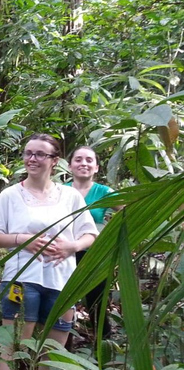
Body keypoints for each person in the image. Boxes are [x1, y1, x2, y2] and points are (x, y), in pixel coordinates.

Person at [0, 133, 98, 370]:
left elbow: (89, 233)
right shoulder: (10, 195)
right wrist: (23, 240)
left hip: (63, 281)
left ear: (55, 161)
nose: (32, 159)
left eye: (40, 154)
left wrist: (72, 246)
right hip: (22, 278)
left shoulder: (70, 197)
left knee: (53, 352)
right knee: (13, 346)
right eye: (28, 153)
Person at [65, 145, 121, 340]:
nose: (84, 164)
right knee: (63, 302)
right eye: (78, 159)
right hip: (64, 254)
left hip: (94, 255)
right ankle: (62, 348)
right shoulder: (59, 191)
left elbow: (129, 212)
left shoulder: (104, 192)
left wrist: (111, 238)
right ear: (70, 166)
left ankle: (101, 351)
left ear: (96, 167)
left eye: (89, 160)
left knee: (97, 303)